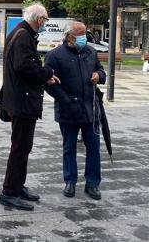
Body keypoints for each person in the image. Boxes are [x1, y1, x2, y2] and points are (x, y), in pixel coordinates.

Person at [0, 3, 59, 211]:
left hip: (21, 98)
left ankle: (17, 186)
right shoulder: (23, 35)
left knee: (23, 147)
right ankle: (9, 192)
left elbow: (25, 66)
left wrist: (42, 77)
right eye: (45, 20)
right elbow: (24, 67)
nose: (45, 24)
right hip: (22, 101)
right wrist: (47, 74)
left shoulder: (21, 33)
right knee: (20, 148)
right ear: (39, 19)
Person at [44, 21, 106, 201]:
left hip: (90, 109)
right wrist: (66, 101)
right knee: (69, 147)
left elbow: (101, 71)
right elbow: (49, 84)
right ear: (70, 36)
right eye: (81, 34)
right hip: (68, 110)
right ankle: (70, 181)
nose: (84, 37)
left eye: (84, 33)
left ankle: (92, 183)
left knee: (93, 147)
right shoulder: (55, 55)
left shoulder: (90, 52)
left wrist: (99, 76)